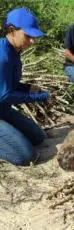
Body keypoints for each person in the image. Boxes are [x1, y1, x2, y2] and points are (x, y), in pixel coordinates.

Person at [0, 8, 50, 165]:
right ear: (12, 30)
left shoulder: (14, 52)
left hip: (3, 109)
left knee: (38, 137)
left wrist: (28, 88)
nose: (32, 41)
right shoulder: (3, 57)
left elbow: (8, 85)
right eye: (28, 36)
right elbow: (6, 95)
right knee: (25, 156)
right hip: (3, 102)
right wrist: (40, 97)